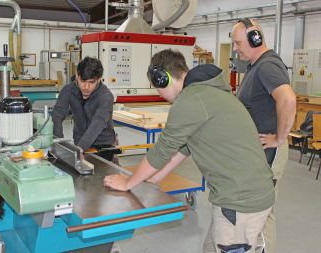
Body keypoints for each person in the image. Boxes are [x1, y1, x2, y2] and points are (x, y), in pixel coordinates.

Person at [104, 49, 275, 253]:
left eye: (156, 86)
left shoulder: (191, 99)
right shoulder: (206, 92)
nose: (158, 93)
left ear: (163, 78)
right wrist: (158, 176)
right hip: (245, 193)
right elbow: (185, 146)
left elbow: (163, 149)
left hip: (240, 201)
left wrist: (129, 183)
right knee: (211, 248)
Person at [232, 18, 296, 253]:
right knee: (259, 213)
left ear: (255, 39)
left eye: (238, 43)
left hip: (267, 154)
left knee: (262, 214)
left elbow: (288, 99)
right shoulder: (255, 67)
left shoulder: (268, 65)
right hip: (256, 154)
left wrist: (278, 138)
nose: (236, 49)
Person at [52, 56, 117, 161]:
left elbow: (98, 122)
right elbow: (58, 113)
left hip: (104, 145)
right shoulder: (68, 90)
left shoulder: (105, 96)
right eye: (82, 81)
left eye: (91, 82)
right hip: (79, 142)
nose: (86, 87)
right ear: (77, 74)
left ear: (99, 78)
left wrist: (81, 147)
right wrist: (58, 141)